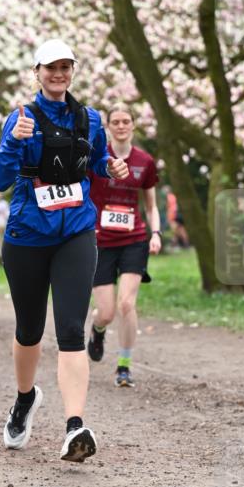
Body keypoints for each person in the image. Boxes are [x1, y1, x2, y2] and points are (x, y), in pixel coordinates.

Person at [0, 38, 128, 463]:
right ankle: (24, 399)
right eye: (51, 67)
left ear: (72, 72)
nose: (58, 74)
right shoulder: (21, 119)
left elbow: (97, 161)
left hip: (76, 233)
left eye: (65, 67)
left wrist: (111, 166)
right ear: (37, 72)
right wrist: (14, 142)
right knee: (29, 330)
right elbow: (0, 180)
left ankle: (74, 428)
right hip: (27, 237)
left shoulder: (90, 118)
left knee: (71, 329)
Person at [87, 103, 162, 387]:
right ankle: (97, 329)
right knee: (106, 313)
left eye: (125, 121)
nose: (121, 126)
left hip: (134, 239)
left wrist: (156, 233)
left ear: (133, 125)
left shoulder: (144, 161)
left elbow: (151, 205)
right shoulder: (97, 158)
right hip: (101, 241)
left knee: (127, 304)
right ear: (107, 126)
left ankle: (124, 366)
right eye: (115, 122)